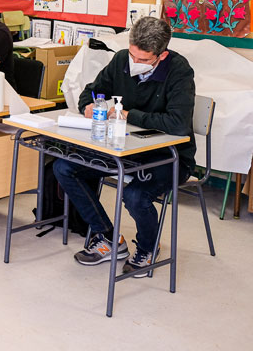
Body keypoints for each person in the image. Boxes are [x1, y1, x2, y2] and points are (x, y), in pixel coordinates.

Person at [53, 17, 196, 276]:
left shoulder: (179, 71)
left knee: (134, 195)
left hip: (169, 156)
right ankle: (108, 237)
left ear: (161, 56)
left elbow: (177, 124)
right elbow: (93, 90)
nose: (135, 64)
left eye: (143, 60)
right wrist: (90, 105)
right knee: (64, 167)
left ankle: (148, 248)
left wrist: (128, 114)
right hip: (122, 148)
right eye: (133, 55)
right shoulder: (121, 60)